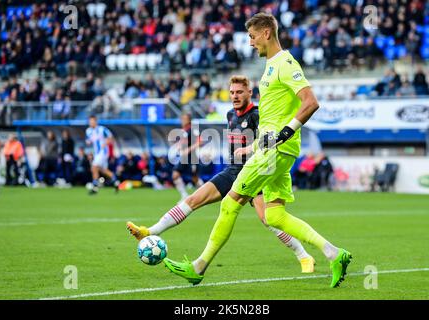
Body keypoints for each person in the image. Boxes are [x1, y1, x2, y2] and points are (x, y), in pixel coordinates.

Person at [164, 13, 351, 288]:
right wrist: (253, 146)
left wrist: (286, 132)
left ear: (266, 33)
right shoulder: (271, 67)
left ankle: (198, 267)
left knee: (229, 203)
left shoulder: (285, 64)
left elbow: (310, 102)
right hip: (273, 150)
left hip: (275, 151)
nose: (250, 43)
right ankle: (334, 253)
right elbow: (273, 118)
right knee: (274, 215)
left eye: (252, 36)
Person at [127, 75, 315, 273]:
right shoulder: (229, 115)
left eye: (240, 92)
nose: (235, 96)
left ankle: (304, 256)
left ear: (249, 93)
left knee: (268, 219)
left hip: (256, 172)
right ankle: (149, 231)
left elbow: (267, 140)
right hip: (233, 171)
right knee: (194, 199)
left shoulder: (257, 115)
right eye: (232, 92)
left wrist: (249, 151)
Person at [171, 113, 204, 202]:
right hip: (184, 158)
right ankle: (184, 195)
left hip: (193, 157)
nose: (182, 120)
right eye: (182, 119)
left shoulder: (193, 130)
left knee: (195, 178)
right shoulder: (184, 131)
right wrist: (179, 147)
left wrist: (188, 149)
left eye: (184, 119)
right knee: (175, 175)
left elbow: (200, 142)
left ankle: (205, 196)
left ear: (189, 120)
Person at [85, 115, 120, 194]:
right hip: (96, 153)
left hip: (103, 152)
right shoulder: (88, 131)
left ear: (96, 121)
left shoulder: (102, 129)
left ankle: (94, 188)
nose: (91, 123)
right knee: (103, 170)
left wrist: (105, 143)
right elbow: (88, 141)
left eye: (92, 121)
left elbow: (110, 137)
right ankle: (116, 182)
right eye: (90, 121)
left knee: (94, 167)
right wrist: (88, 143)